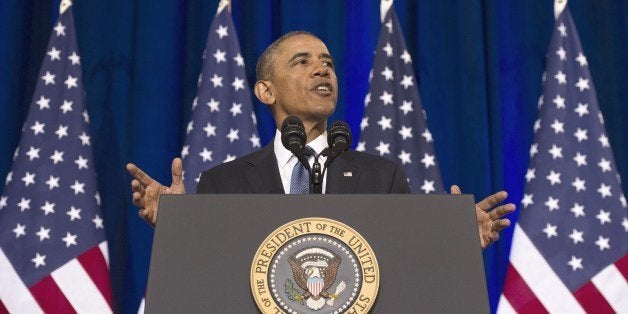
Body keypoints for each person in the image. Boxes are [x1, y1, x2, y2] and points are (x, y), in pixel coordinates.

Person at [126, 31, 515, 249]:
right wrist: (179, 227)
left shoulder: (382, 177)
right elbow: (209, 271)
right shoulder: (222, 182)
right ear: (265, 92)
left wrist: (456, 243)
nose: (322, 70)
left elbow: (403, 262)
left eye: (327, 62)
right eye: (303, 62)